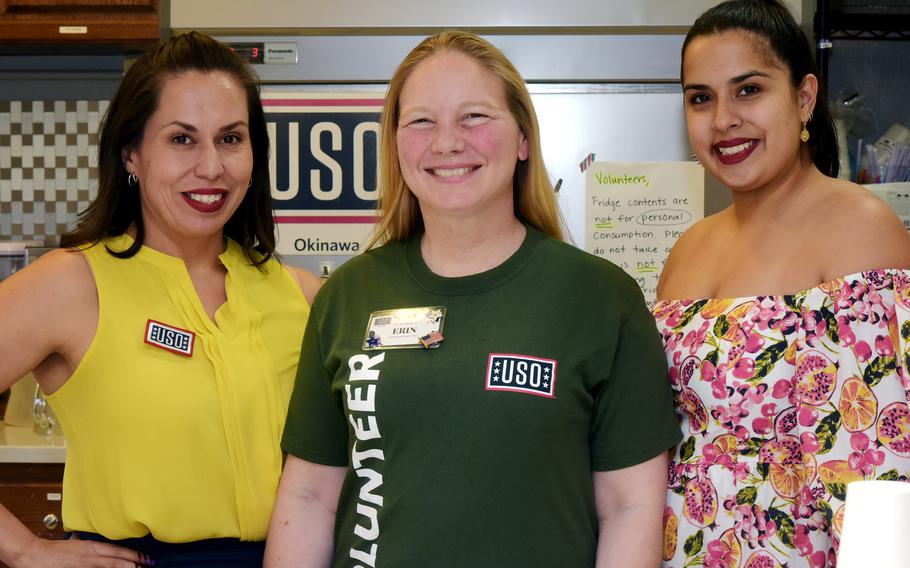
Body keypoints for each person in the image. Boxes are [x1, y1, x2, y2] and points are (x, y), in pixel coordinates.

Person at [264, 30, 681, 568]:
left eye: (474, 117)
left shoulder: (602, 299)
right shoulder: (347, 296)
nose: (447, 143)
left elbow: (629, 508)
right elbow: (309, 498)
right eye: (421, 121)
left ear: (524, 139)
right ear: (394, 142)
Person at [0, 32, 321, 568]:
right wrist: (24, 551)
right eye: (181, 139)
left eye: (231, 139)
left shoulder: (302, 295)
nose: (212, 167)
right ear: (132, 152)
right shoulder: (71, 285)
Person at [653, 1, 910, 566]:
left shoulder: (860, 229)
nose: (722, 119)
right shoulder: (688, 248)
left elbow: (883, 466)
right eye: (701, 98)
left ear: (804, 98)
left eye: (748, 90)